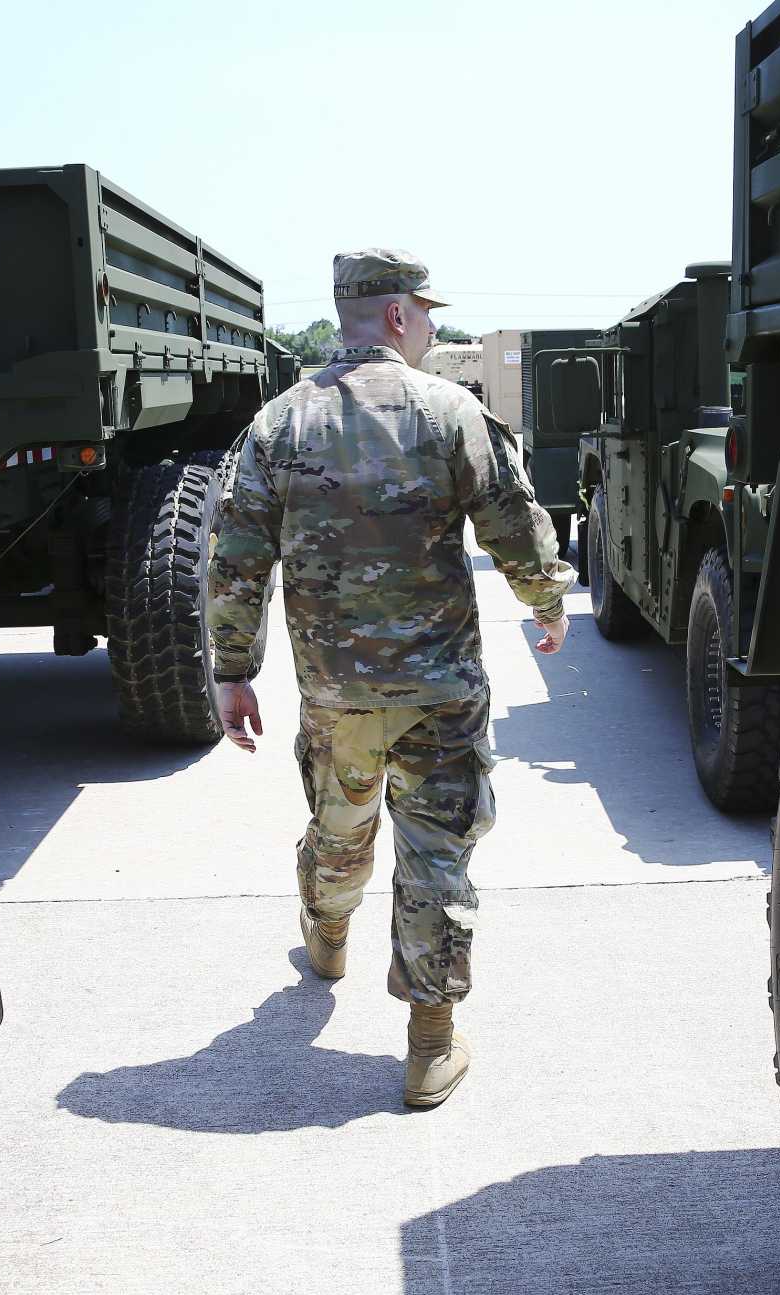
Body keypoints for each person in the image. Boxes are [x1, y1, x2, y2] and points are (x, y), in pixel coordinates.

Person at [205, 247, 574, 1109]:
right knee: (437, 855)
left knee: (339, 826)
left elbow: (236, 560)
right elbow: (513, 524)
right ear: (400, 315)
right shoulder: (449, 411)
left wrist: (231, 671)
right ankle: (430, 1046)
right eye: (428, 312)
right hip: (440, 689)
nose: (434, 327)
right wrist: (548, 604)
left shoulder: (279, 424)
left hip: (336, 691)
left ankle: (327, 933)